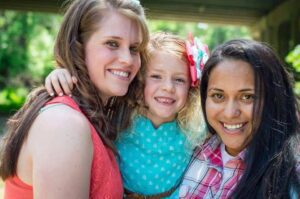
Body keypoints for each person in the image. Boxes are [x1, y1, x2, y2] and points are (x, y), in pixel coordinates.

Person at [0, 0, 149, 198]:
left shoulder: (90, 118)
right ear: (77, 47)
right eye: (112, 44)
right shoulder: (64, 124)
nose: (128, 60)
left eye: (133, 48)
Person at [43, 32, 209, 198]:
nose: (168, 87)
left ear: (191, 87)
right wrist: (62, 74)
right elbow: (89, 92)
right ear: (140, 80)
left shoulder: (194, 128)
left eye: (179, 80)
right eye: (156, 76)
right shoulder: (120, 111)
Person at [179, 39, 300, 199]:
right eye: (218, 95)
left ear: (274, 99)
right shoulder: (193, 150)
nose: (230, 113)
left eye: (247, 97)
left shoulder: (291, 176)